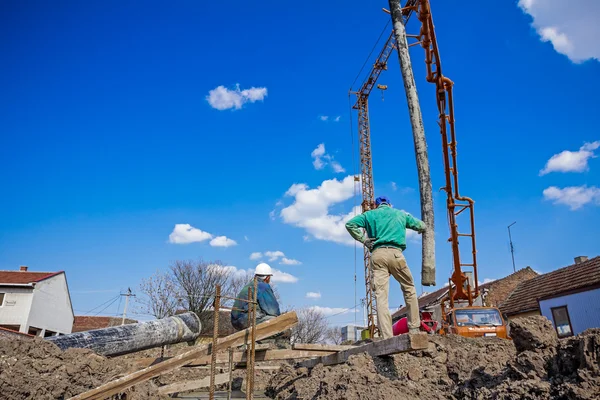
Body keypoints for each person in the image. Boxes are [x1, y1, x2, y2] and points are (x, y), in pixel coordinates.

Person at [345, 196, 426, 339]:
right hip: (396, 254)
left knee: (381, 297)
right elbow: (420, 225)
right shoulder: (400, 214)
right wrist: (422, 228)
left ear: (376, 205)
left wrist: (364, 240)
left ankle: (387, 336)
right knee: (409, 288)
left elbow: (350, 224)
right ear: (390, 204)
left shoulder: (369, 214)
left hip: (377, 255)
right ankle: (414, 328)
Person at [231, 263, 281, 331]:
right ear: (267, 277)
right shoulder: (262, 286)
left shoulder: (249, 285)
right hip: (247, 320)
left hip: (236, 322)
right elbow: (273, 311)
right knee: (279, 322)